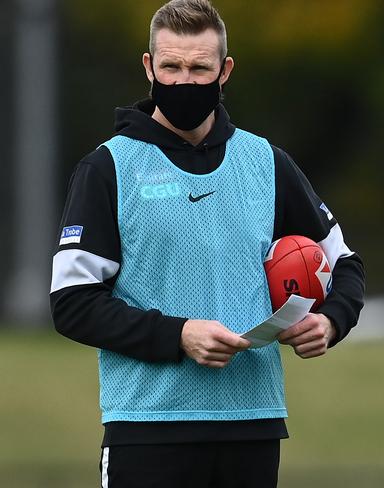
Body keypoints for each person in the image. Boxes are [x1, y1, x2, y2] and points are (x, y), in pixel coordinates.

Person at [49, 1, 365, 486]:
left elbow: (343, 262)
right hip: (147, 427)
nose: (184, 81)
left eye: (200, 68)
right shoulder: (108, 168)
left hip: (253, 425)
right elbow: (72, 304)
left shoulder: (266, 162)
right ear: (149, 66)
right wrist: (178, 335)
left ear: (225, 71)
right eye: (171, 66)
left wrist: (330, 321)